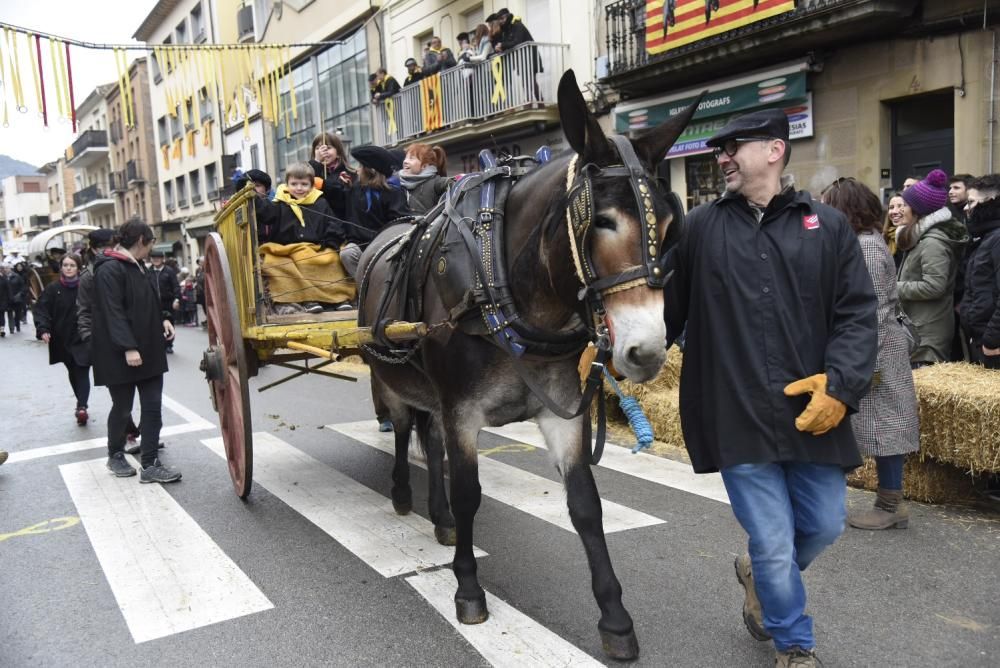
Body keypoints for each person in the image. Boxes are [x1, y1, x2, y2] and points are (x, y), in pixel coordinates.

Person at [664, 109, 877, 667]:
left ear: (774, 150)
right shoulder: (698, 227)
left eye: (734, 146)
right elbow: (666, 308)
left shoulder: (826, 226)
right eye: (721, 149)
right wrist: (614, 345)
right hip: (736, 413)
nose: (723, 157)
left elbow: (857, 313)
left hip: (813, 412)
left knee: (826, 525)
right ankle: (794, 644)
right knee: (776, 542)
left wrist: (843, 386)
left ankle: (758, 574)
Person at [822, 178, 920, 530]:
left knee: (885, 430)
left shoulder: (865, 248)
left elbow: (873, 311)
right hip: (872, 350)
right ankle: (882, 503)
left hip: (876, 353)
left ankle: (890, 506)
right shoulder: (862, 243)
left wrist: (860, 360)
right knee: (874, 428)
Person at [91, 220, 181, 483]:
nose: (151, 248)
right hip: (119, 353)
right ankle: (115, 454)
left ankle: (150, 463)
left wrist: (164, 317)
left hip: (149, 349)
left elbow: (148, 300)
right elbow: (113, 312)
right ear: (142, 240)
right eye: (151, 242)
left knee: (152, 407)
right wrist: (128, 347)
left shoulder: (138, 265)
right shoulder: (109, 269)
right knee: (122, 407)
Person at [255, 162, 352, 314]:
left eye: (304, 184)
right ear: (287, 184)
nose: (299, 188)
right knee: (284, 263)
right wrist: (253, 198)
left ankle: (338, 298)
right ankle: (308, 299)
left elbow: (333, 223)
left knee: (332, 260)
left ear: (312, 185)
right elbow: (265, 212)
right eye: (294, 184)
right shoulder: (280, 204)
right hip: (286, 249)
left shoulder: (321, 202)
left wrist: (331, 241)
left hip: (317, 247)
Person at [896, 169, 969, 367]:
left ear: (919, 210)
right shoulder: (918, 238)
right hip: (917, 329)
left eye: (906, 205)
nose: (900, 209)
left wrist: (893, 288)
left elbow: (934, 286)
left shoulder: (932, 243)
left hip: (928, 334)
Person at [328, 145, 410, 278]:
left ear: (370, 171)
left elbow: (401, 222)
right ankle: (365, 289)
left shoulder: (392, 192)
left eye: (360, 167)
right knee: (347, 253)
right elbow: (340, 210)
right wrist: (344, 188)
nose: (357, 170)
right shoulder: (354, 190)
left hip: (384, 248)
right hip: (360, 246)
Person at [34, 253, 92, 425]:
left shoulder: (86, 287)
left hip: (83, 336)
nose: (68, 268)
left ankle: (82, 407)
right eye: (65, 265)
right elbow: (41, 309)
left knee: (82, 369)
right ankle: (80, 403)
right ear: (61, 267)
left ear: (78, 268)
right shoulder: (53, 289)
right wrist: (43, 329)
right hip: (62, 338)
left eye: (72, 265)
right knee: (73, 371)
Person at [959, 174, 1000, 369]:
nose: (966, 208)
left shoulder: (997, 240)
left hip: (992, 346)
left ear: (990, 203)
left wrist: (992, 340)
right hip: (981, 338)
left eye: (972, 202)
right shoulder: (985, 238)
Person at [309, 132, 356, 220]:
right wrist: (316, 163)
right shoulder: (309, 171)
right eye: (318, 148)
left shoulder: (349, 174)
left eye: (328, 148)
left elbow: (343, 201)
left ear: (338, 152)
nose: (322, 152)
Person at [399, 143, 452, 214]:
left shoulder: (436, 182)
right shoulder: (397, 182)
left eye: (411, 158)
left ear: (424, 166)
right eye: (406, 158)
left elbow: (456, 186)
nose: (405, 161)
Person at [149, 249, 180, 354]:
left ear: (162, 259)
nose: (156, 260)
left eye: (158, 258)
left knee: (169, 323)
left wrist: (177, 299)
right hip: (153, 303)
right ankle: (159, 344)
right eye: (154, 258)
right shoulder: (148, 271)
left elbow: (176, 286)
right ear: (151, 259)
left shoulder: (169, 271)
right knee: (155, 324)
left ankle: (169, 344)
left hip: (168, 302)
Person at [882, 192, 906, 268]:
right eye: (891, 207)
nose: (895, 211)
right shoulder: (884, 238)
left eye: (900, 206)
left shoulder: (913, 238)